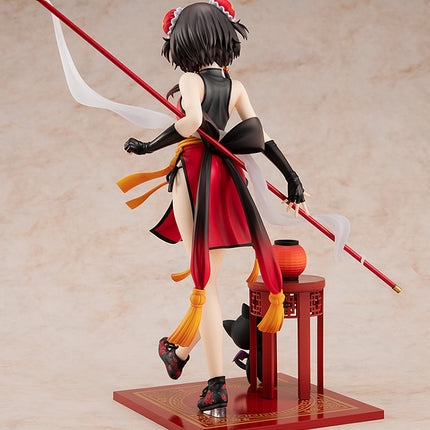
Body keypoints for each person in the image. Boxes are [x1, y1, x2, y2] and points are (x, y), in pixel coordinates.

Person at [122, 0, 309, 416]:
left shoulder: (190, 79)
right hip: (226, 178)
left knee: (204, 284)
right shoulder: (235, 87)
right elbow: (261, 136)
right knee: (210, 277)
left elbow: (191, 123)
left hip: (195, 175)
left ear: (184, 44)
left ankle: (215, 385)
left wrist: (149, 146)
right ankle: (178, 353)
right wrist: (292, 177)